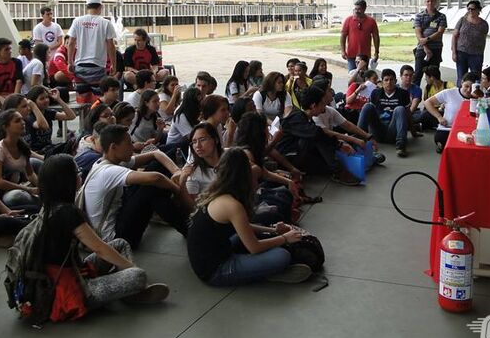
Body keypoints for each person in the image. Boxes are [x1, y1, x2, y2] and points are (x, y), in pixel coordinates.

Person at [37, 154, 169, 322]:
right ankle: (133, 290)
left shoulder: (48, 207)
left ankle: (130, 291)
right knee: (138, 275)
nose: (80, 175)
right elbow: (100, 248)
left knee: (120, 244)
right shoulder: (68, 213)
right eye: (76, 172)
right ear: (66, 180)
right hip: (67, 291)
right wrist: (132, 269)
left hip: (66, 273)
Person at [187, 148, 310, 286]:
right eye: (250, 164)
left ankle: (255, 268)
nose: (254, 167)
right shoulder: (231, 204)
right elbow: (254, 248)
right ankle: (266, 273)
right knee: (282, 256)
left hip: (217, 252)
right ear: (243, 173)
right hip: (216, 270)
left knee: (248, 234)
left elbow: (243, 226)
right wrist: (284, 238)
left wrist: (274, 231)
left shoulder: (218, 190)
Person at [81, 124, 187, 249]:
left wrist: (176, 171)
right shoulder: (108, 171)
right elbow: (156, 178)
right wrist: (179, 192)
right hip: (115, 238)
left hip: (119, 217)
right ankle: (189, 229)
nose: (133, 146)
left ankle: (179, 219)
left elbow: (155, 154)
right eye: (129, 144)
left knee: (156, 166)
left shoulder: (106, 161)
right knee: (151, 188)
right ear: (113, 147)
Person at [276, 85, 360, 185]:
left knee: (325, 164)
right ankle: (338, 172)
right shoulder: (297, 119)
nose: (324, 108)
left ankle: (336, 169)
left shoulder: (306, 118)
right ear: (313, 105)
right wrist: (339, 145)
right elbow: (317, 134)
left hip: (301, 153)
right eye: (323, 104)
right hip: (287, 158)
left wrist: (339, 143)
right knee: (317, 136)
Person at [67, 0, 117, 101]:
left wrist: (70, 62)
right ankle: (97, 116)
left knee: (82, 100)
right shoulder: (105, 23)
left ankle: (84, 117)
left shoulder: (77, 21)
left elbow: (71, 43)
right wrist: (113, 64)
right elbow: (111, 46)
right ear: (100, 7)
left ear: (87, 7)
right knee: (99, 99)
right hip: (98, 67)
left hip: (80, 67)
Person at [0, 109, 39, 212]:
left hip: (19, 185)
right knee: (17, 196)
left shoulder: (22, 145)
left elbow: (30, 174)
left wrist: (42, 187)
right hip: (1, 193)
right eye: (17, 121)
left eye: (22, 119)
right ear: (5, 127)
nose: (23, 123)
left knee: (38, 163)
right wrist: (28, 190)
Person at [357, 68, 410, 158]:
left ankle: (401, 146)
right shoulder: (376, 93)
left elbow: (408, 114)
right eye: (386, 80)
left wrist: (414, 132)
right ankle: (358, 140)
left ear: (395, 81)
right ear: (382, 82)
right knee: (367, 106)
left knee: (400, 109)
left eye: (391, 80)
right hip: (378, 130)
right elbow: (370, 113)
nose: (389, 82)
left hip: (392, 131)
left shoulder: (403, 93)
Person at [423, 72, 477, 152]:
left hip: (469, 130)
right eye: (466, 86)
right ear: (462, 82)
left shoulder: (480, 96)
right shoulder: (449, 93)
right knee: (444, 140)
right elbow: (427, 102)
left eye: (472, 88)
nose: (469, 90)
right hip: (448, 128)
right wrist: (439, 117)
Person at [25, 86, 76, 157]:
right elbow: (42, 125)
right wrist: (33, 107)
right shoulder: (29, 116)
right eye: (41, 99)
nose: (46, 100)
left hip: (48, 148)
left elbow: (71, 116)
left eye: (47, 97)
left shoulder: (48, 113)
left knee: (72, 144)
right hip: (36, 152)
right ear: (34, 102)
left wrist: (58, 99)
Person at [412, 0, 447, 85]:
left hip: (436, 49)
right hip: (421, 49)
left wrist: (426, 39)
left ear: (435, 2)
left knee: (434, 76)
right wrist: (425, 47)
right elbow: (418, 32)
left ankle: (432, 97)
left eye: (432, 1)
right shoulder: (419, 16)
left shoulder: (441, 16)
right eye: (428, 1)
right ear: (425, 2)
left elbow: (440, 32)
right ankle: (415, 98)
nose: (430, 3)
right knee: (417, 74)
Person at [451, 0, 488, 85]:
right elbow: (454, 36)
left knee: (476, 77)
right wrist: (454, 52)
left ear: (478, 10)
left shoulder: (484, 24)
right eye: (468, 9)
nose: (470, 11)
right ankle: (460, 95)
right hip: (461, 52)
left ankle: (475, 95)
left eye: (473, 9)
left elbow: (483, 39)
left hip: (476, 54)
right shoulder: (462, 20)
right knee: (461, 77)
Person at [340, 0, 379, 71]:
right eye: (355, 9)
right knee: (352, 76)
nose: (357, 11)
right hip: (351, 55)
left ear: (364, 9)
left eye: (359, 9)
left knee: (364, 77)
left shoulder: (371, 21)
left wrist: (376, 52)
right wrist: (343, 51)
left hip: (365, 56)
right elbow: (343, 36)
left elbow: (376, 37)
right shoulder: (348, 20)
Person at [398, 65, 424, 136]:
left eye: (411, 75)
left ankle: (405, 125)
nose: (409, 77)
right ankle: (413, 126)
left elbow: (412, 108)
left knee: (423, 115)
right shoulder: (395, 88)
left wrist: (404, 118)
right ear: (401, 76)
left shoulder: (417, 89)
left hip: (411, 113)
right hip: (396, 114)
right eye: (406, 75)